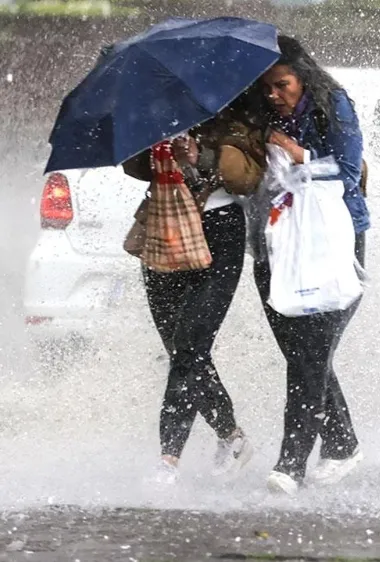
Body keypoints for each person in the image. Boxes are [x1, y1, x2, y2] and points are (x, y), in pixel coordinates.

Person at [124, 93, 266, 484]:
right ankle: (232, 436)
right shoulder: (154, 106)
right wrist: (150, 142)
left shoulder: (235, 106)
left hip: (220, 232)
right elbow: (132, 167)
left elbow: (249, 177)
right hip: (164, 225)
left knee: (190, 345)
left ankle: (168, 459)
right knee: (180, 348)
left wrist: (198, 155)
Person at [248, 35, 368, 495]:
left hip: (330, 240)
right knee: (301, 354)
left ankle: (290, 463)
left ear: (303, 77)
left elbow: (349, 170)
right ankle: (342, 445)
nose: (274, 95)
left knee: (312, 353)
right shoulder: (258, 116)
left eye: (282, 85)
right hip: (275, 242)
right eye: (266, 88)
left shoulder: (332, 105)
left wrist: (299, 156)